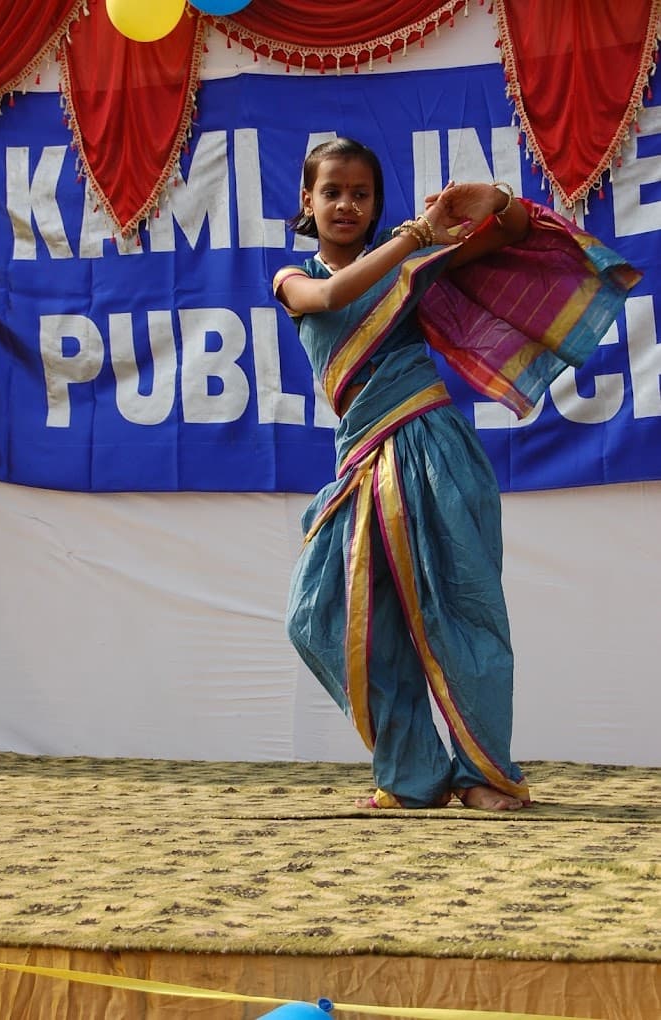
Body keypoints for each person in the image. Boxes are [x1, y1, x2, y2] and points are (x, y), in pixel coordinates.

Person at [272, 137, 641, 812]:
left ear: (376, 202)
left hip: (433, 450)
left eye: (361, 193)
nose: (346, 204)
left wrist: (495, 202)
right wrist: (413, 238)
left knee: (461, 611)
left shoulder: (408, 263)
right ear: (307, 201)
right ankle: (413, 771)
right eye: (332, 192)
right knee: (318, 618)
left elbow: (517, 234)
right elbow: (329, 296)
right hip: (360, 465)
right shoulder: (296, 278)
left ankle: (485, 776)